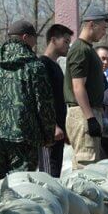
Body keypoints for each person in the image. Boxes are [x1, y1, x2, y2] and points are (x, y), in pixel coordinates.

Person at [0, 20, 56, 182]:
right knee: (21, 183)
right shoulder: (34, 66)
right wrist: (48, 136)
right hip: (24, 136)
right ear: (25, 37)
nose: (35, 42)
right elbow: (44, 105)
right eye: (34, 38)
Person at [64, 5, 108, 169]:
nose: (104, 32)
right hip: (82, 114)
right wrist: (90, 118)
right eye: (103, 28)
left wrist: (101, 117)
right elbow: (78, 87)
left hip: (89, 111)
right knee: (86, 168)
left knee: (91, 167)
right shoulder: (80, 50)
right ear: (92, 24)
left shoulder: (87, 49)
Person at [39, 23, 73, 177]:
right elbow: (42, 100)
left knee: (55, 175)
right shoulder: (42, 65)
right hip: (48, 135)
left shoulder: (56, 66)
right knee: (47, 176)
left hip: (58, 133)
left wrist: (64, 129)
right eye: (65, 41)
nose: (68, 45)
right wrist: (52, 126)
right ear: (53, 40)